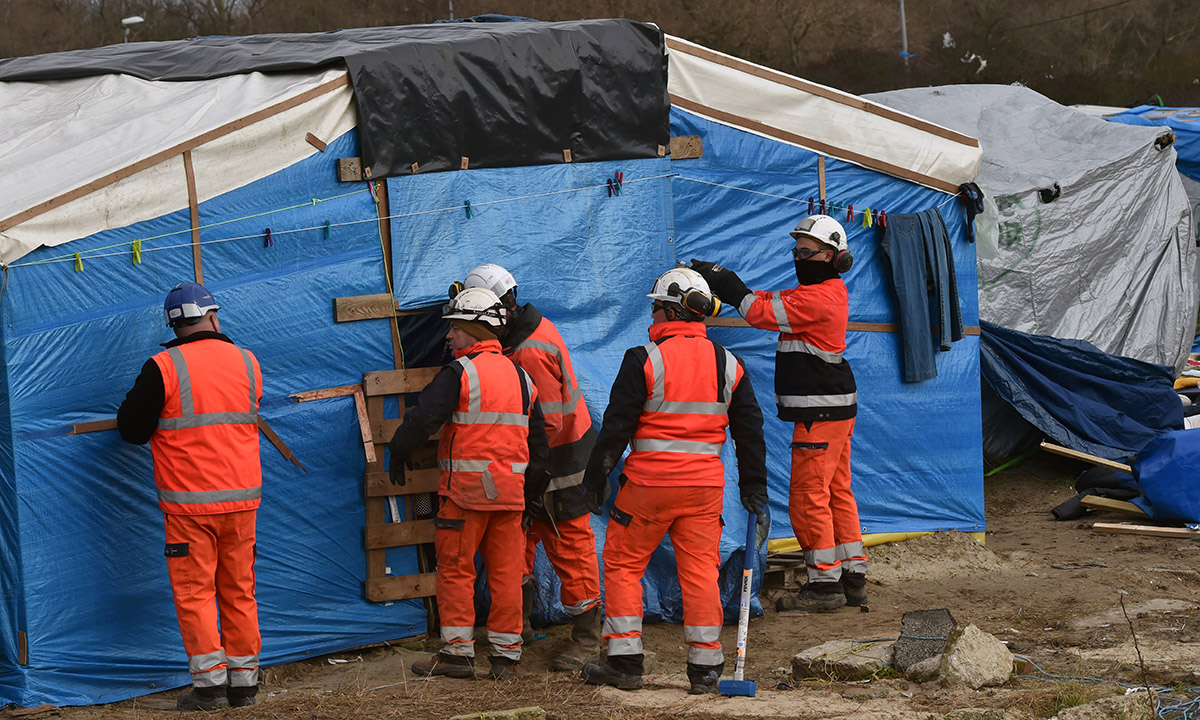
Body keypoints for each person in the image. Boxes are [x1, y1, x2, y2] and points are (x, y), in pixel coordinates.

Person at [580, 267, 767, 694]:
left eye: (655, 308)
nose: (653, 316)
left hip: (648, 488)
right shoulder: (729, 363)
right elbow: (749, 428)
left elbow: (616, 428)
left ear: (668, 311)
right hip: (704, 491)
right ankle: (705, 669)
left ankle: (625, 663)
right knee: (701, 571)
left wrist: (596, 478)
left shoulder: (644, 359)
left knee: (624, 565)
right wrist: (754, 485)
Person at [692, 213, 867, 613]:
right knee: (836, 491)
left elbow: (759, 313)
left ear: (833, 258)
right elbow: (770, 302)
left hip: (820, 412)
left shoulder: (818, 297)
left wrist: (729, 283)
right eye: (796, 251)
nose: (797, 257)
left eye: (806, 252)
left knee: (809, 496)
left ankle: (824, 585)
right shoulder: (821, 293)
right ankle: (853, 575)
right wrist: (735, 289)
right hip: (833, 409)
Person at [389, 286, 551, 681]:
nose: (448, 337)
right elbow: (539, 446)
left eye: (454, 329)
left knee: (457, 572)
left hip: (465, 496)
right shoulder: (522, 377)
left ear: (474, 331)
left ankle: (457, 655)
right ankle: (506, 658)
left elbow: (422, 418)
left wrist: (398, 452)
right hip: (510, 498)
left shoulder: (460, 373)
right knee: (508, 576)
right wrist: (530, 495)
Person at [117, 281, 263, 711]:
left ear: (174, 326)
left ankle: (209, 688)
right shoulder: (247, 360)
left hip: (189, 507)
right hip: (242, 502)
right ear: (214, 316)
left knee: (195, 593)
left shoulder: (162, 367)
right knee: (239, 589)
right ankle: (244, 684)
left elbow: (131, 430)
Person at [457, 264, 602, 672]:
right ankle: (515, 627)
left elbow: (547, 423)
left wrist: (527, 471)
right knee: (517, 544)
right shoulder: (520, 337)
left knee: (568, 545)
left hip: (559, 464)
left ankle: (587, 636)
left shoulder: (529, 350)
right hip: (532, 464)